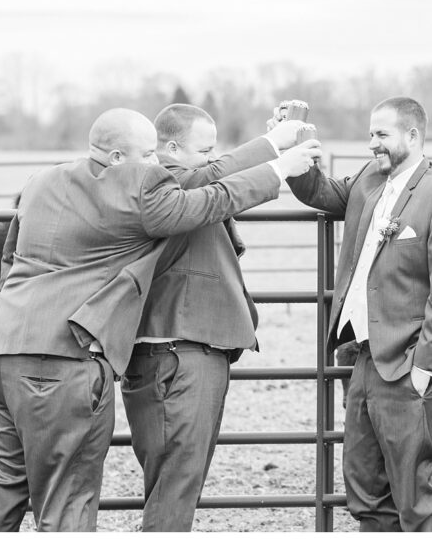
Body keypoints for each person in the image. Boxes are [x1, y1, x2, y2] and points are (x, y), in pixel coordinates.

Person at [0, 108, 320, 532]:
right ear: (119, 158)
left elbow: (10, 257)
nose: (159, 165)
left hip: (4, 345)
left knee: (5, 483)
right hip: (64, 357)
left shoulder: (41, 181)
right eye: (150, 155)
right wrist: (278, 168)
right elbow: (210, 196)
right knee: (68, 497)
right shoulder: (138, 190)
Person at [286, 96, 432, 531]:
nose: (373, 143)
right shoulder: (371, 180)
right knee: (365, 486)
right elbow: (320, 192)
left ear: (413, 135)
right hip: (366, 358)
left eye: (382, 135)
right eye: (371, 133)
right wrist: (293, 151)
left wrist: (425, 368)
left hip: (409, 363)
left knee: (415, 496)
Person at [121, 104, 305, 531]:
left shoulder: (174, 179)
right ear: (170, 149)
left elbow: (213, 172)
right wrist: (275, 155)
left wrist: (274, 143)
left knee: (174, 478)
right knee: (178, 479)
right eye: (204, 149)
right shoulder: (163, 178)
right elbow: (211, 177)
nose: (211, 158)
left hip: (180, 350)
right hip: (182, 351)